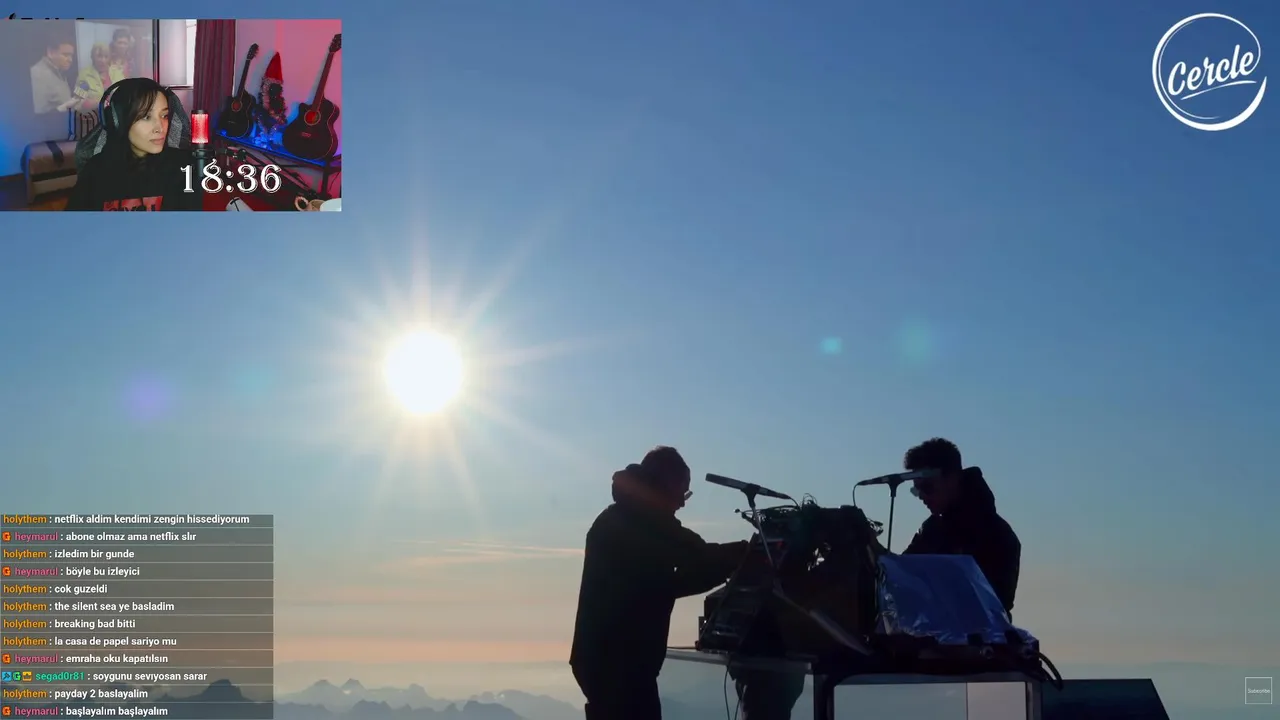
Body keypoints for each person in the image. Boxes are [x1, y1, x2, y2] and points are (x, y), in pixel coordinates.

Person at [571, 446, 750, 720]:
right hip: (621, 664)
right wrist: (743, 555)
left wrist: (729, 562)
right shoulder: (645, 521)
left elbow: (669, 580)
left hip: (605, 661)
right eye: (682, 492)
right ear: (665, 483)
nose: (682, 503)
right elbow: (693, 558)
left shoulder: (622, 516)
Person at [902, 437, 1021, 613]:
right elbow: (901, 575)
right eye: (916, 490)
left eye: (927, 488)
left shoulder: (998, 534)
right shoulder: (931, 530)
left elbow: (993, 606)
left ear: (952, 479)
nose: (922, 497)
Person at [66, 79, 202, 211]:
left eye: (164, 116)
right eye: (146, 117)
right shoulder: (96, 170)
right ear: (118, 121)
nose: (160, 128)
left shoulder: (184, 167)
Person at [31, 35, 76, 113]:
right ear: (51, 53)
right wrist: (64, 107)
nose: (70, 60)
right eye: (65, 55)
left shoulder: (60, 72)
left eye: (71, 55)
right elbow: (38, 115)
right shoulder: (38, 75)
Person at [73, 43, 124, 111]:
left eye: (106, 57)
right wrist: (96, 103)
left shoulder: (117, 73)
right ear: (93, 57)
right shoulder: (84, 75)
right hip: (93, 115)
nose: (103, 60)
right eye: (99, 56)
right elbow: (77, 102)